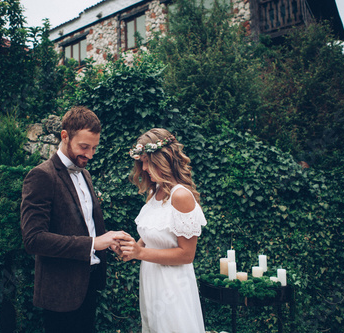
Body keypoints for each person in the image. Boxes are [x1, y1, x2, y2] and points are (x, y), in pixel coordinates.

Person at [20, 106, 125, 333]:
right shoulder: (41, 176)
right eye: (84, 147)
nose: (90, 155)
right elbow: (34, 239)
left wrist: (109, 242)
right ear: (64, 136)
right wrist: (93, 244)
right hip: (60, 293)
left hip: (88, 285)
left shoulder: (84, 173)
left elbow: (83, 224)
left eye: (94, 148)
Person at [118, 128, 207, 333]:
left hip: (172, 286)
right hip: (151, 279)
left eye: (148, 161)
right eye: (142, 162)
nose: (144, 167)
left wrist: (140, 253)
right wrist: (131, 248)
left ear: (164, 159)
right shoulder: (155, 191)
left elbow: (187, 255)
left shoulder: (181, 196)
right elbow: (153, 235)